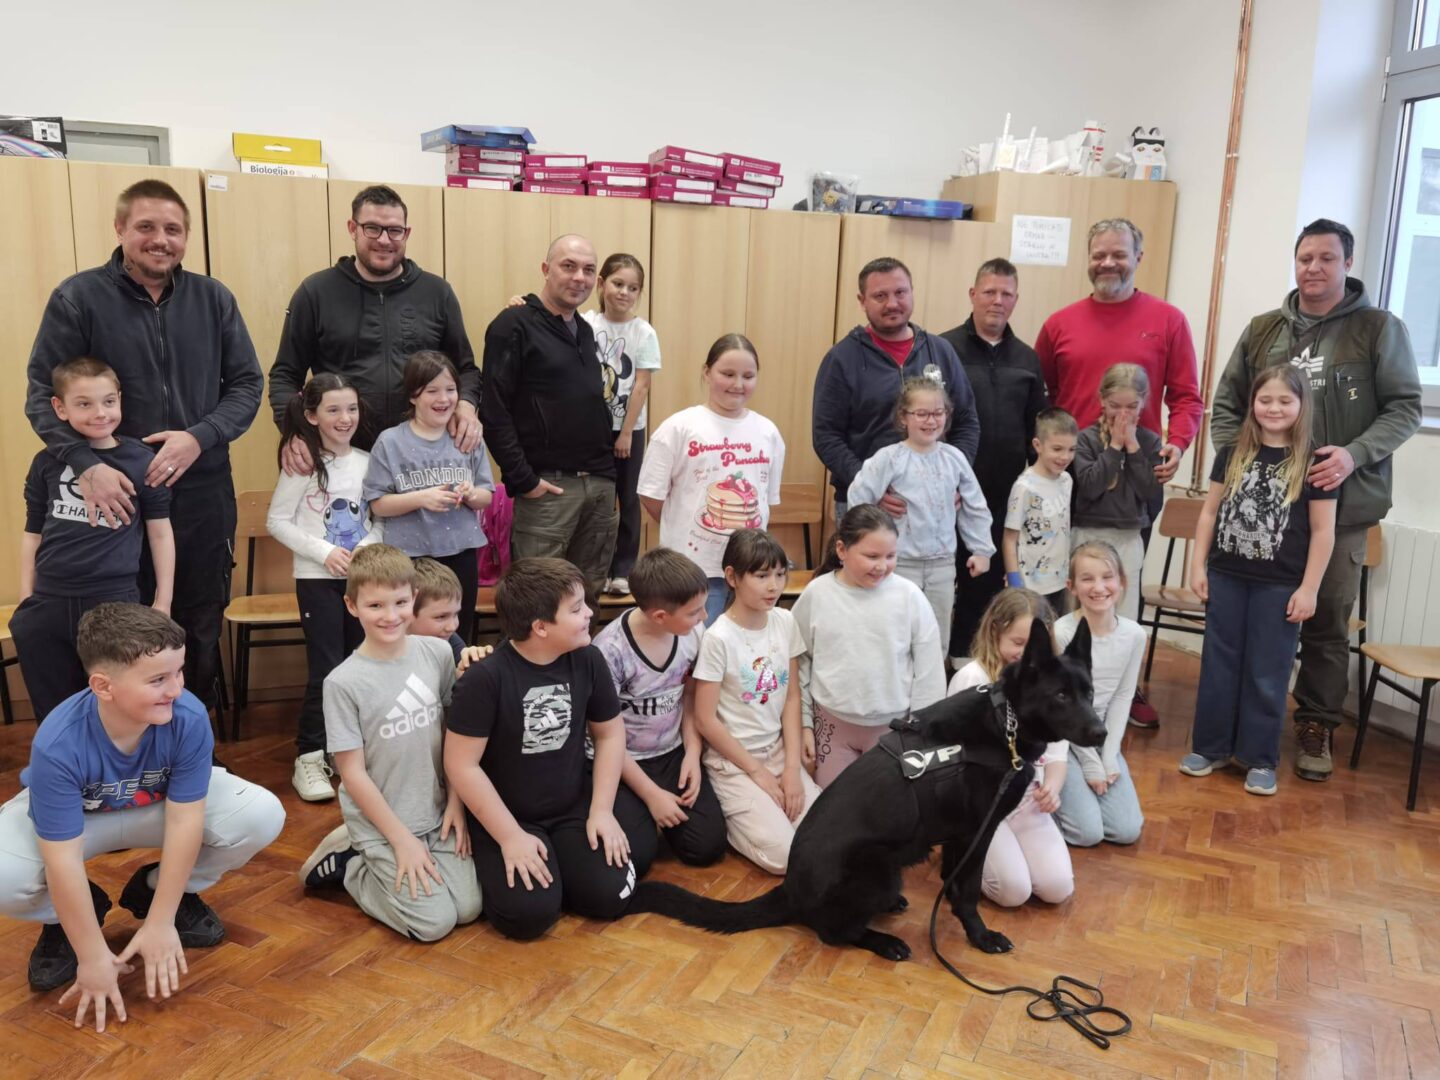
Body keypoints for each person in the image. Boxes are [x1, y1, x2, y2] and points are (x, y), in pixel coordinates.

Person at [24, 179, 263, 715]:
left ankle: (193, 741)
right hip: (116, 499)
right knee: (115, 632)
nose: (161, 239)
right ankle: (115, 747)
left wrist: (198, 437)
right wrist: (86, 465)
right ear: (120, 229)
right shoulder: (77, 298)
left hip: (201, 492)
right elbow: (42, 395)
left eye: (173, 229)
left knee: (197, 620)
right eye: (146, 227)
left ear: (186, 237)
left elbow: (248, 385)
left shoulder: (214, 299)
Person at [1210, 218, 1422, 783]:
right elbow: (1227, 406)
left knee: (1326, 620)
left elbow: (1405, 408)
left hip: (1341, 509)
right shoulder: (1263, 330)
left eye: (1327, 258)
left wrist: (1353, 455)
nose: (1314, 268)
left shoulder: (1378, 329)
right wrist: (1241, 462)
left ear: (1347, 264)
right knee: (1253, 621)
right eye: (1305, 257)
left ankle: (1316, 724)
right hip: (1261, 515)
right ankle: (1236, 727)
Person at [0, 603, 284, 1015]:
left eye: (178, 672)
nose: (176, 689)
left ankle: (156, 892)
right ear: (103, 686)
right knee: (4, 876)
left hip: (156, 809)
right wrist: (92, 957)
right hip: (82, 820)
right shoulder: (58, 742)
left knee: (261, 814)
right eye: (158, 679)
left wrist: (161, 920)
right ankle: (68, 918)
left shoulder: (187, 717)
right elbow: (62, 859)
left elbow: (186, 820)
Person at [1036, 217, 1204, 726]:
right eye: (1099, 254)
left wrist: (1177, 444)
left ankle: (1122, 689)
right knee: (1072, 587)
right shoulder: (1059, 324)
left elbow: (1188, 398)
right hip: (1073, 481)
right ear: (1088, 259)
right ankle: (1065, 686)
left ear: (1138, 257)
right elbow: (1041, 398)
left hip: (1137, 483)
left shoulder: (1168, 320)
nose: (1108, 263)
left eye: (1119, 254)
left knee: (1117, 587)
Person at [444, 558, 635, 941]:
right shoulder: (485, 677)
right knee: (527, 917)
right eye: (576, 609)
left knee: (611, 896)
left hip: (569, 806)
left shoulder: (588, 659)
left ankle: (563, 868)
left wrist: (601, 810)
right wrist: (509, 837)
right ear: (541, 627)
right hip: (509, 814)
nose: (589, 613)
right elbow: (462, 765)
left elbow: (610, 736)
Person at [297, 546, 481, 942]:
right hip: (383, 824)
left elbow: (454, 735)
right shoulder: (342, 683)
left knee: (469, 909)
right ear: (352, 606)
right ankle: (353, 865)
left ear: (414, 598)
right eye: (375, 605)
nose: (390, 615)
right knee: (433, 924)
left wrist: (456, 803)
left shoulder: (437, 653)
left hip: (436, 812)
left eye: (400, 602)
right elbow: (352, 773)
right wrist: (401, 841)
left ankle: (397, 860)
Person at [1182, 367, 1337, 796]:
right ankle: (1210, 747)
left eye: (1285, 401)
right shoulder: (1232, 452)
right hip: (1226, 577)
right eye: (1265, 399)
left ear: (1302, 405)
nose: (1274, 408)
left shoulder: (1315, 463)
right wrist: (1197, 566)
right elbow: (1209, 513)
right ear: (1252, 403)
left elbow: (1323, 531)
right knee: (1219, 665)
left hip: (1280, 587)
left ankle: (1260, 758)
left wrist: (1309, 588)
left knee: (1267, 673)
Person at [13, 358, 175, 723]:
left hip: (114, 600)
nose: (100, 413)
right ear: (60, 408)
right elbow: (33, 532)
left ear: (120, 400)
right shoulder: (46, 462)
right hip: (50, 601)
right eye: (84, 404)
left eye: (108, 401)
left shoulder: (141, 460)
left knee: (118, 705)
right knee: (56, 712)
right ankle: (64, 760)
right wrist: (26, 598)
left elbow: (160, 532)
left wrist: (163, 601)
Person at [269, 184, 480, 461]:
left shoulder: (437, 293)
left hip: (421, 457)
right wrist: (294, 432)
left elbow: (466, 369)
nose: (384, 240)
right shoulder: (315, 292)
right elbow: (285, 375)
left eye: (394, 230)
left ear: (406, 233)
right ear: (352, 228)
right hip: (340, 454)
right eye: (372, 228)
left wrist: (465, 405)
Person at [481, 235, 618, 599]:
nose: (579, 277)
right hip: (549, 489)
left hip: (599, 485)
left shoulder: (584, 330)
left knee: (586, 599)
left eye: (588, 270)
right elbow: (493, 410)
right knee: (538, 599)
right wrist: (524, 479)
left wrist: (608, 481)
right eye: (568, 266)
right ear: (546, 269)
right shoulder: (513, 325)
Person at [266, 373, 382, 802]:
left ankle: (347, 752)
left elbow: (381, 518)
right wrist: (324, 552)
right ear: (312, 415)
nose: (345, 418)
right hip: (317, 582)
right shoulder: (303, 465)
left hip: (363, 581)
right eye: (333, 410)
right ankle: (309, 756)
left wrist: (364, 550)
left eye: (351, 408)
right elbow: (277, 521)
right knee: (328, 669)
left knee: (360, 665)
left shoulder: (370, 461)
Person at [691, 529, 821, 874]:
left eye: (780, 574)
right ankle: (734, 820)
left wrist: (791, 769)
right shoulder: (718, 638)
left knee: (825, 834)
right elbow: (705, 720)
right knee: (785, 859)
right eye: (762, 576)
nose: (773, 586)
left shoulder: (785, 620)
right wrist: (757, 772)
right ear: (732, 577)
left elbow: (791, 696)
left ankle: (767, 811)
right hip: (733, 762)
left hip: (777, 751)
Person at [940, 258, 1049, 660]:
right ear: (973, 294)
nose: (997, 301)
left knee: (983, 587)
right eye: (989, 292)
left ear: (1016, 300)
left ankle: (970, 665)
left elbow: (1037, 431)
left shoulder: (1027, 359)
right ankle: (934, 668)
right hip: (948, 495)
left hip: (1002, 497)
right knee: (940, 583)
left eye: (1006, 294)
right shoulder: (943, 348)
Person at [812, 257, 979, 519]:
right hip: (865, 505)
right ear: (862, 301)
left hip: (933, 502)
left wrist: (956, 476)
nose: (892, 303)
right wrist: (871, 485)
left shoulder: (941, 351)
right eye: (880, 296)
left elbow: (966, 421)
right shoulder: (841, 359)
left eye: (900, 292)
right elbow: (826, 436)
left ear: (912, 292)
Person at [791, 505, 946, 787]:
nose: (882, 566)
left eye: (891, 556)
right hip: (832, 725)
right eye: (872, 556)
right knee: (834, 803)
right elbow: (799, 661)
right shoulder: (818, 593)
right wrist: (805, 724)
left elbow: (929, 672)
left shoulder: (909, 596)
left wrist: (920, 731)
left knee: (882, 804)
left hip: (893, 730)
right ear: (842, 550)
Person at [594, 547, 727, 873]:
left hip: (671, 753)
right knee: (637, 858)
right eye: (694, 612)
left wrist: (692, 753)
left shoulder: (692, 633)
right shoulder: (609, 650)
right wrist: (651, 795)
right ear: (659, 617)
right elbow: (604, 738)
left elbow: (689, 696)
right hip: (621, 760)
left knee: (706, 847)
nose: (704, 617)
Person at [637, 334, 785, 625]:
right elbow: (650, 495)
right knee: (698, 646)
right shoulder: (678, 428)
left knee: (743, 644)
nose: (738, 384)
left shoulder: (768, 432)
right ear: (706, 372)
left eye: (748, 376)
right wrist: (685, 525)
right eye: (727, 374)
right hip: (695, 571)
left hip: (749, 571)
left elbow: (767, 501)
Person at [848, 378, 994, 657]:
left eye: (938, 413)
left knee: (936, 636)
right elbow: (859, 498)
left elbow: (974, 505)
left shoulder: (954, 458)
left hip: (942, 565)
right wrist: (874, 527)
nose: (931, 420)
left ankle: (933, 683)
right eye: (922, 413)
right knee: (897, 634)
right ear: (904, 417)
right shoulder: (889, 458)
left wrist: (981, 549)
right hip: (899, 564)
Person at [949, 588, 1072, 908]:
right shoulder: (971, 678)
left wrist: (1052, 788)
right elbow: (953, 755)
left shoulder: (1054, 683)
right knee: (1012, 892)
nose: (1027, 653)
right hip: (982, 805)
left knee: (1058, 888)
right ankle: (960, 849)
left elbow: (1057, 756)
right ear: (995, 632)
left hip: (1025, 800)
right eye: (1018, 643)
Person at [364, 351, 494, 642]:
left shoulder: (467, 437)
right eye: (432, 391)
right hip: (410, 557)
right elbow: (378, 504)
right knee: (410, 634)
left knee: (457, 632)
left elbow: (486, 495)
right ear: (413, 395)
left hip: (461, 552)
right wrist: (421, 498)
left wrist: (471, 494)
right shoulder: (390, 441)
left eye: (451, 390)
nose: (444, 399)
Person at [1052, 543, 1145, 848]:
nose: (1099, 587)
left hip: (1098, 734)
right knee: (1087, 834)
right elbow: (1064, 710)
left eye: (1107, 577)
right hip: (1064, 740)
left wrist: (1109, 756)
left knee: (1126, 831)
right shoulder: (1062, 632)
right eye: (1087, 579)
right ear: (1072, 587)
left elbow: (1122, 698)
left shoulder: (1134, 635)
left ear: (1122, 582)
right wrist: (1091, 763)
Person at [588, 255, 662, 597]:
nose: (624, 293)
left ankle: (623, 569)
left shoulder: (643, 331)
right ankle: (598, 569)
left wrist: (627, 433)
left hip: (628, 429)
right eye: (618, 284)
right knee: (598, 502)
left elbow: (642, 385)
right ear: (601, 284)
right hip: (591, 429)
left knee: (628, 499)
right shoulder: (585, 323)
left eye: (633, 288)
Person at [1071, 365, 1163, 627]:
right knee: (1083, 615)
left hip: (1128, 538)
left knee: (1124, 617)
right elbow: (1090, 486)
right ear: (1102, 400)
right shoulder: (1086, 439)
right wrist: (1114, 447)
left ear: (1143, 403)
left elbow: (1149, 491)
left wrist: (1132, 447)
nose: (1123, 414)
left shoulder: (1150, 442)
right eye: (1115, 406)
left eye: (1131, 407)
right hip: (1088, 535)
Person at [1004, 408, 1077, 618]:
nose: (1065, 457)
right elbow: (1009, 539)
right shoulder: (1024, 487)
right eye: (1057, 449)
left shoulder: (1066, 480)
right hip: (1030, 585)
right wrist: (1014, 581)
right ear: (1038, 445)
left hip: (1060, 581)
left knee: (1056, 632)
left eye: (1071, 449)